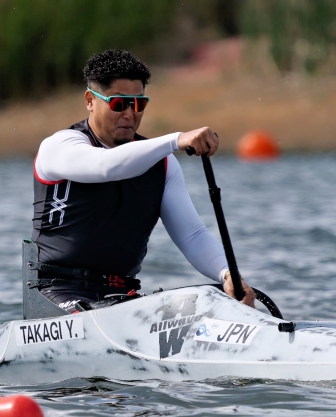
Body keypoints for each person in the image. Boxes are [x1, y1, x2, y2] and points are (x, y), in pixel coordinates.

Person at [31, 49, 255, 312]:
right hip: (55, 293)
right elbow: (107, 166)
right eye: (118, 104)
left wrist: (227, 275)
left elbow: (192, 235)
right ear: (90, 100)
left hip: (121, 296)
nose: (130, 113)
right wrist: (176, 139)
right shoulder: (60, 146)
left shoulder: (162, 164)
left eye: (138, 104)